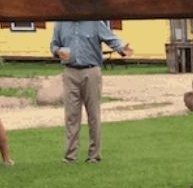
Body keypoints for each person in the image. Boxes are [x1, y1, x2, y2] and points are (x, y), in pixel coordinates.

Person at [49, 21, 133, 163]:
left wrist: (122, 49)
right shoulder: (61, 24)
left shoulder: (95, 22)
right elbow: (54, 45)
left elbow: (111, 38)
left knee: (93, 114)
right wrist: (57, 51)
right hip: (70, 71)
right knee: (71, 115)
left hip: (91, 70)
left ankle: (94, 155)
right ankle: (70, 156)